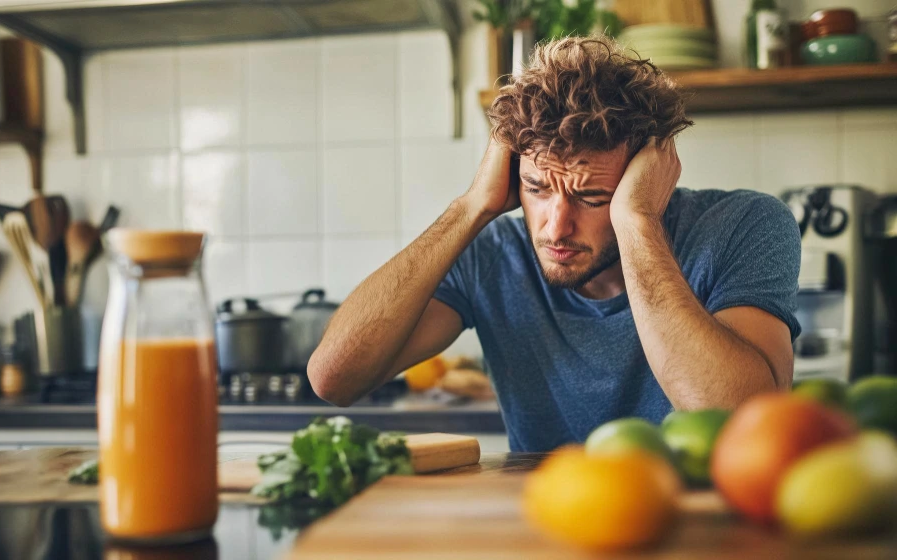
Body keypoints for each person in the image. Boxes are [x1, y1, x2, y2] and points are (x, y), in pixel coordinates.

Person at [307, 36, 801, 452]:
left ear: (651, 178)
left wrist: (636, 221)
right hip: (550, 519)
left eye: (591, 196)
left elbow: (746, 420)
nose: (555, 227)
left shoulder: (745, 225)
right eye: (537, 189)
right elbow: (334, 380)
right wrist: (470, 207)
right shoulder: (492, 252)